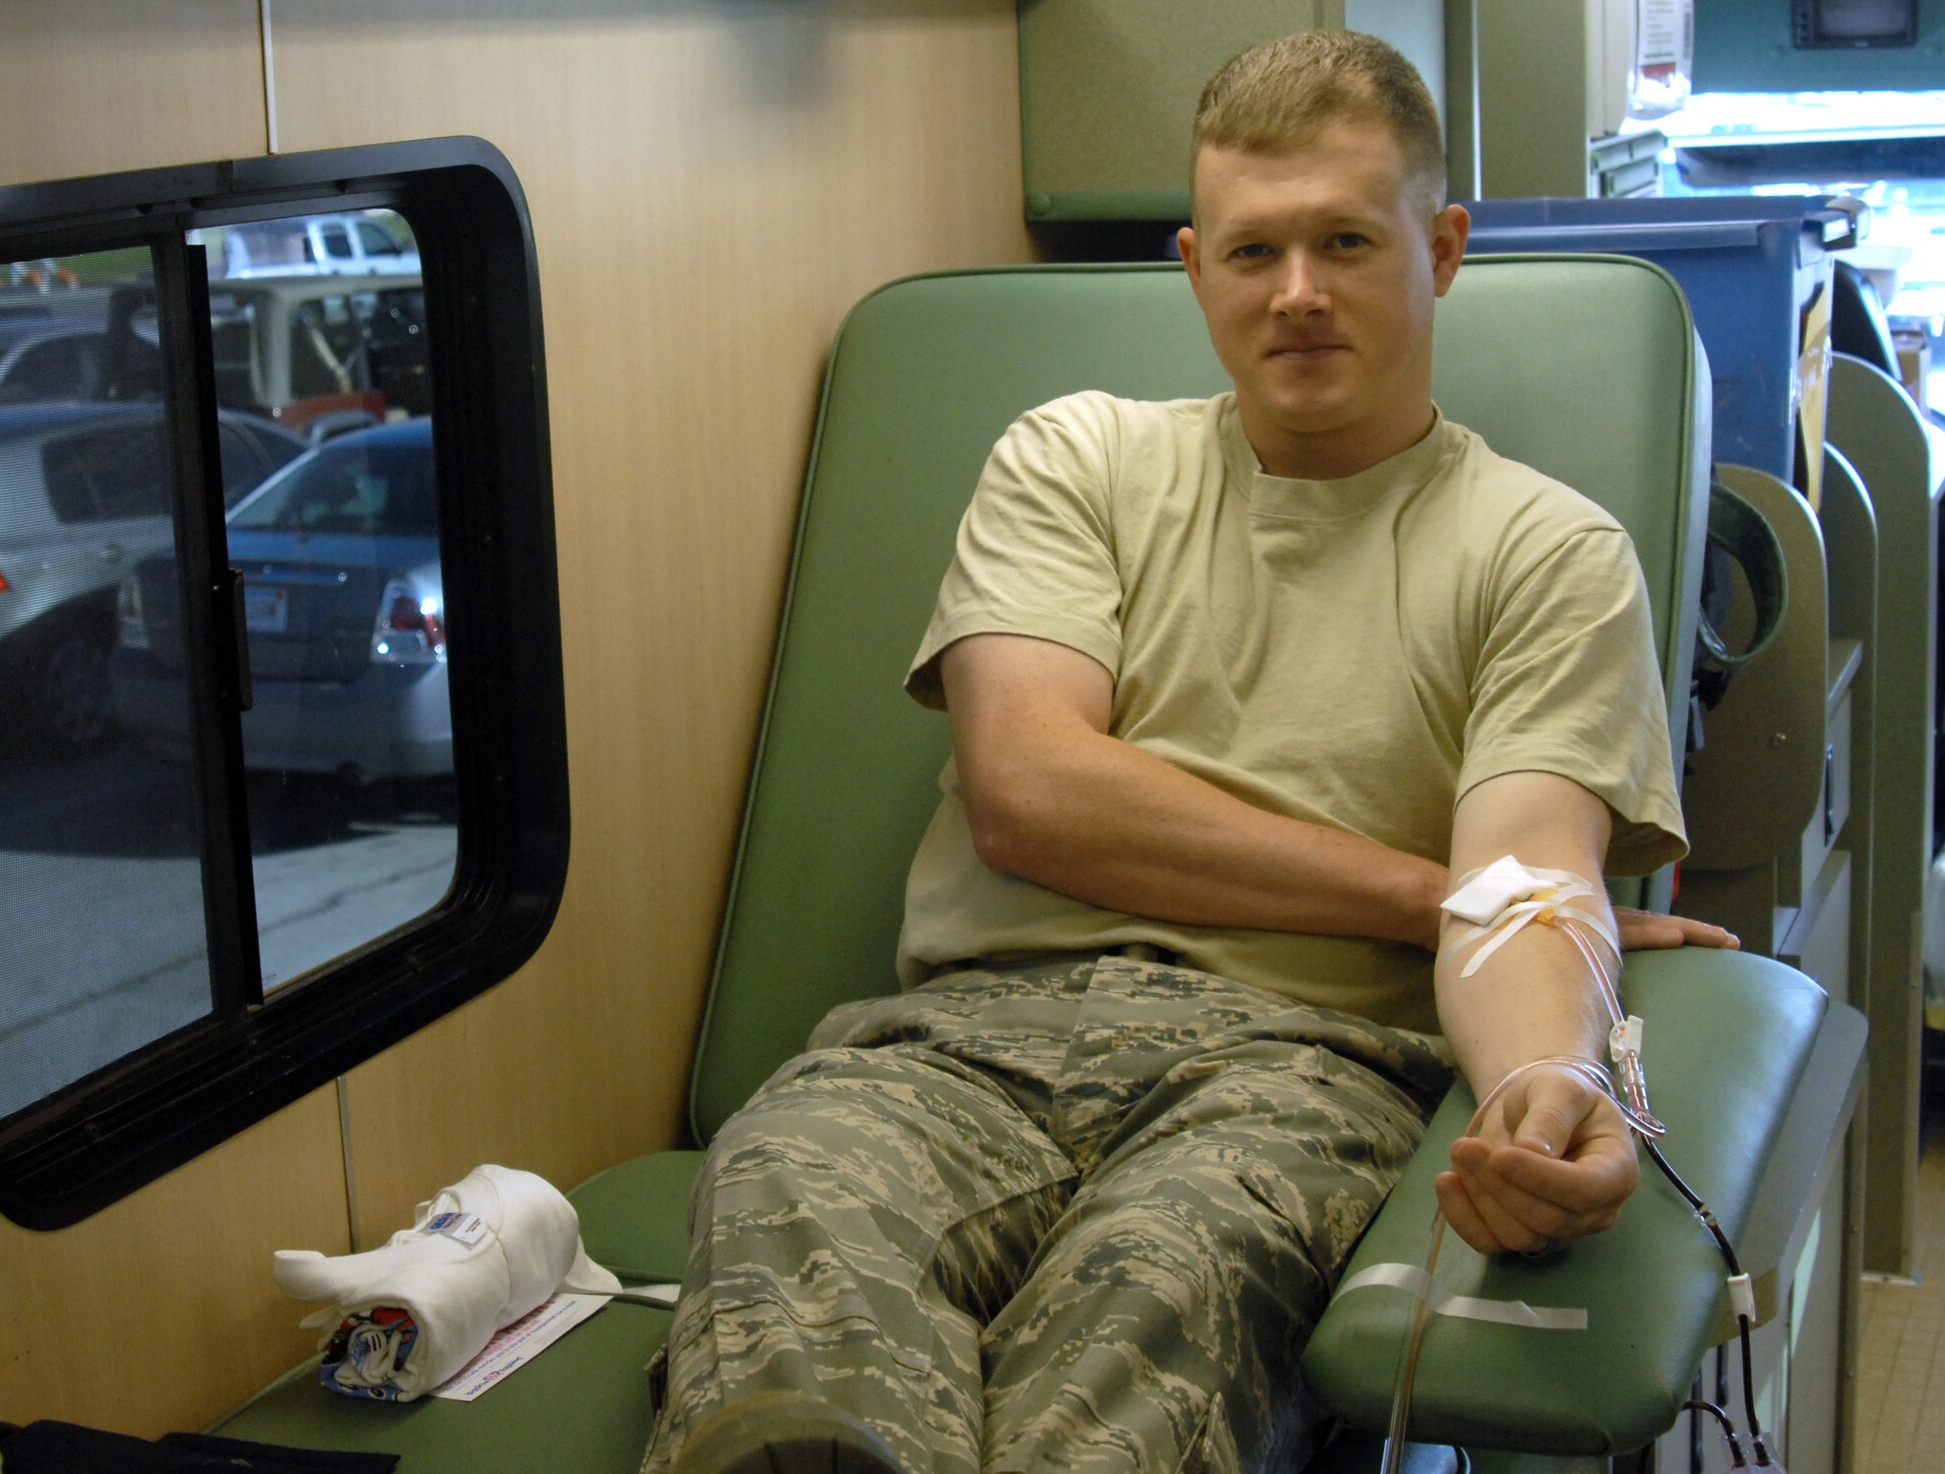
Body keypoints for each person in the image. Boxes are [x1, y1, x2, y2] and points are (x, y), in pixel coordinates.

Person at [645, 29, 1734, 1474]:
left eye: (1347, 242)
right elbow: (1033, 796)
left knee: (1167, 1283)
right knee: (791, 1190)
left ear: (1442, 248)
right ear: (1194, 265)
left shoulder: (1546, 553)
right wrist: (1435, 897)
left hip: (1298, 1071)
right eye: (1252, 251)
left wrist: (1546, 1074)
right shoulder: (1076, 461)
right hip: (964, 1048)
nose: (1297, 293)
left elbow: (1527, 880)